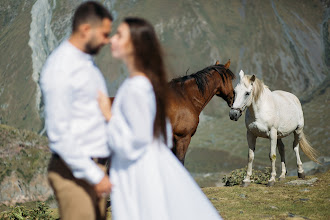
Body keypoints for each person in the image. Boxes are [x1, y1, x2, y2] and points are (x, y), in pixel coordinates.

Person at [98, 17, 222, 220]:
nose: (112, 39)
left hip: (136, 176)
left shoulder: (135, 86)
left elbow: (137, 140)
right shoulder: (149, 83)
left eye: (119, 35)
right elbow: (163, 134)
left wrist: (109, 116)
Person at [40, 2, 113, 219]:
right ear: (85, 30)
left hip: (92, 169)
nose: (107, 40)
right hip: (76, 172)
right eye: (104, 34)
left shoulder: (85, 64)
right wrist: (94, 175)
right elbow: (58, 134)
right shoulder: (61, 69)